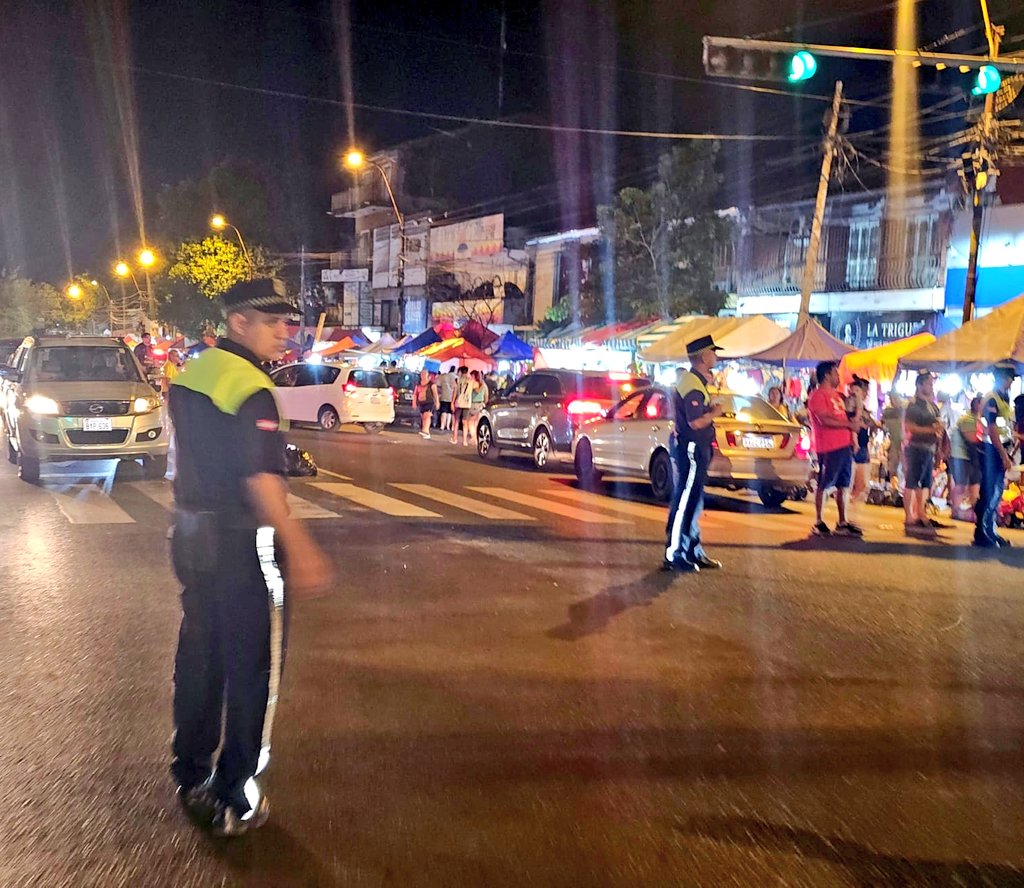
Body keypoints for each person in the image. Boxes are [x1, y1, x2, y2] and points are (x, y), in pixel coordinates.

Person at [168, 278, 330, 837]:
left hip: (190, 534)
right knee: (253, 666)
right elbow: (260, 478)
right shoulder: (251, 387)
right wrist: (300, 547)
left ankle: (189, 767)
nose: (286, 332)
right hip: (241, 542)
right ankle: (235, 789)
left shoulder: (193, 372)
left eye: (288, 321)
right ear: (239, 322)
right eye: (274, 321)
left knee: (200, 654)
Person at [663, 335, 725, 573]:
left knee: (694, 500)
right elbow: (694, 422)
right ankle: (675, 553)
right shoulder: (691, 383)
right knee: (686, 500)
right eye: (713, 352)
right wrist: (714, 413)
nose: (716, 356)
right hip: (691, 448)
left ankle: (691, 550)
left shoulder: (697, 381)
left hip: (698, 448)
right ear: (702, 356)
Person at [807, 361, 862, 537]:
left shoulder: (838, 396)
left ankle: (842, 521)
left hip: (844, 446)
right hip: (829, 447)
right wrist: (849, 425)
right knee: (825, 483)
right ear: (827, 375)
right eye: (835, 373)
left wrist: (852, 432)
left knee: (844, 485)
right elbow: (825, 420)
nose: (838, 376)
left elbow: (850, 417)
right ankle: (819, 520)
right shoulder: (818, 396)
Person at [975, 364, 1017, 548]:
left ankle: (990, 531)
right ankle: (982, 533)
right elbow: (992, 431)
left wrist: (1008, 451)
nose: (1011, 383)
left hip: (999, 450)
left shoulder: (1003, 397)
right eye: (1009, 379)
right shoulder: (992, 399)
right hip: (990, 451)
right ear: (1002, 378)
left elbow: (1003, 427)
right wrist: (1003, 455)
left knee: (997, 493)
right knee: (989, 493)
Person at [901, 372, 944, 535]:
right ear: (919, 385)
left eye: (931, 383)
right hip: (916, 446)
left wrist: (938, 444)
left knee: (926, 483)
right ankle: (909, 516)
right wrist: (931, 429)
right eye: (928, 383)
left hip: (930, 447)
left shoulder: (932, 406)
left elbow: (938, 426)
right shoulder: (913, 405)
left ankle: (921, 513)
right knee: (912, 481)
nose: (931, 386)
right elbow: (910, 427)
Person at [846, 376, 878, 524]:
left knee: (862, 484)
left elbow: (869, 423)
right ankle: (847, 516)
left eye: (863, 390)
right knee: (849, 482)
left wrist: (871, 425)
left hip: (863, 446)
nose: (862, 393)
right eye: (858, 389)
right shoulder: (850, 404)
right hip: (853, 445)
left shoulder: (863, 408)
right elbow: (853, 421)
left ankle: (853, 512)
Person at [949, 394, 983, 522]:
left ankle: (969, 511)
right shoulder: (968, 419)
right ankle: (956, 509)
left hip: (970, 457)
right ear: (976, 405)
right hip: (960, 456)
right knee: (961, 485)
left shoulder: (978, 419)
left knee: (974, 483)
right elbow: (972, 439)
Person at [881, 392, 904, 485]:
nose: (893, 400)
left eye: (895, 398)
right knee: (893, 467)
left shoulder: (906, 411)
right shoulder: (887, 412)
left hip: (905, 444)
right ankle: (893, 488)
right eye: (892, 398)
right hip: (894, 442)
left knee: (903, 468)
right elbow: (884, 427)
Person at [413, 370, 439, 439]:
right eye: (422, 374)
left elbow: (435, 394)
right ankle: (425, 431)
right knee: (423, 417)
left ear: (427, 375)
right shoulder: (418, 384)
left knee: (427, 416)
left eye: (424, 374)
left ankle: (426, 431)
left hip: (429, 402)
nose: (423, 375)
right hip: (421, 403)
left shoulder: (431, 384)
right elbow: (415, 394)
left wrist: (437, 402)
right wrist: (414, 402)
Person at [451, 366, 473, 446]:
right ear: (467, 372)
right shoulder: (471, 381)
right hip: (467, 403)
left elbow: (455, 392)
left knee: (456, 421)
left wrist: (452, 402)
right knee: (465, 422)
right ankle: (464, 441)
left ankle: (454, 438)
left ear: (460, 372)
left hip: (458, 402)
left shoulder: (457, 380)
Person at [467, 370, 488, 443]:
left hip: (473, 404)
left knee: (471, 422)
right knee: (477, 422)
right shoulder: (484, 384)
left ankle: (474, 438)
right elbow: (486, 396)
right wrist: (484, 403)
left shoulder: (473, 384)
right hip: (481, 404)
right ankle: (476, 438)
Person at [436, 368, 456, 432]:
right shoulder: (456, 377)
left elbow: (438, 385)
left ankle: (442, 426)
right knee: (449, 412)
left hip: (444, 396)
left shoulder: (444, 376)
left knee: (444, 411)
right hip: (452, 397)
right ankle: (448, 426)